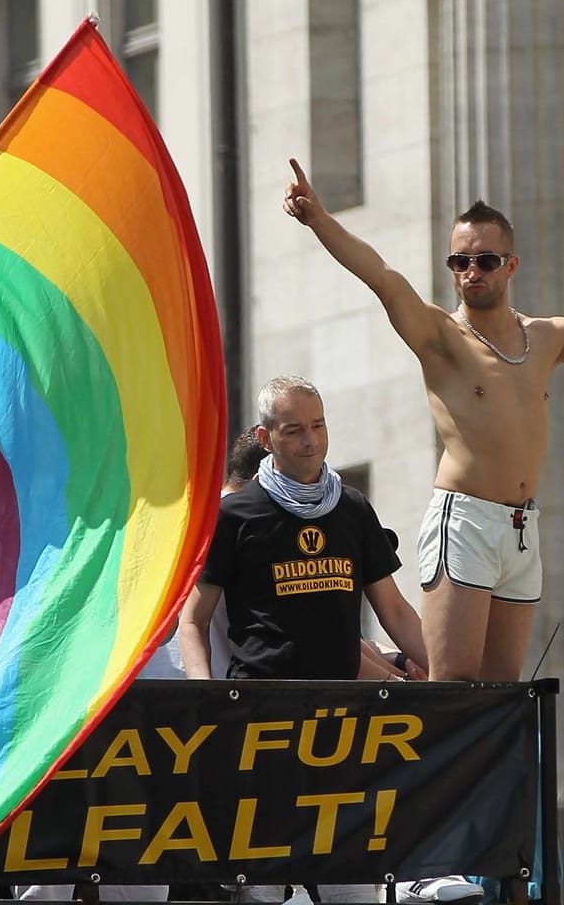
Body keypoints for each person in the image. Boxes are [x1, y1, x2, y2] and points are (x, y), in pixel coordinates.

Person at [282, 161, 564, 683]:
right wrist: (318, 218)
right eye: (459, 261)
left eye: (484, 259)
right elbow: (381, 276)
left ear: (511, 265)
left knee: (502, 693)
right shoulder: (439, 336)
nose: (470, 271)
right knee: (453, 686)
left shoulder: (549, 337)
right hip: (466, 521)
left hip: (522, 529)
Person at [178, 377, 445, 902]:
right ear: (266, 435)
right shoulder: (235, 516)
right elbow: (193, 620)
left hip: (340, 723)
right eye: (294, 429)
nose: (310, 440)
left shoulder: (352, 508)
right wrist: (203, 697)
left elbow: (391, 607)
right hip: (261, 719)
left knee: (351, 889)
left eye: (318, 426)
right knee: (263, 888)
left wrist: (448, 673)